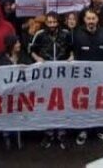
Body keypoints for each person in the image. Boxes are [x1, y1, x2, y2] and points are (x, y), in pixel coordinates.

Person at [72, 8, 103, 147]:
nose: (91, 21)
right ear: (85, 20)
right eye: (88, 19)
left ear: (97, 20)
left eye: (93, 18)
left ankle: (102, 130)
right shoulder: (77, 34)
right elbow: (73, 52)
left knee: (101, 105)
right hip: (83, 79)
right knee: (84, 105)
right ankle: (83, 130)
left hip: (101, 78)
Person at [29, 11, 73, 149]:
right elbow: (31, 49)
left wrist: (70, 58)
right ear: (46, 23)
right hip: (45, 75)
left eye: (55, 22)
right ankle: (48, 133)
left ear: (58, 22)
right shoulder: (40, 34)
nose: (52, 25)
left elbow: (72, 50)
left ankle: (61, 133)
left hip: (62, 74)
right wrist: (38, 59)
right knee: (47, 103)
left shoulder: (66, 34)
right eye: (50, 22)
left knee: (62, 103)